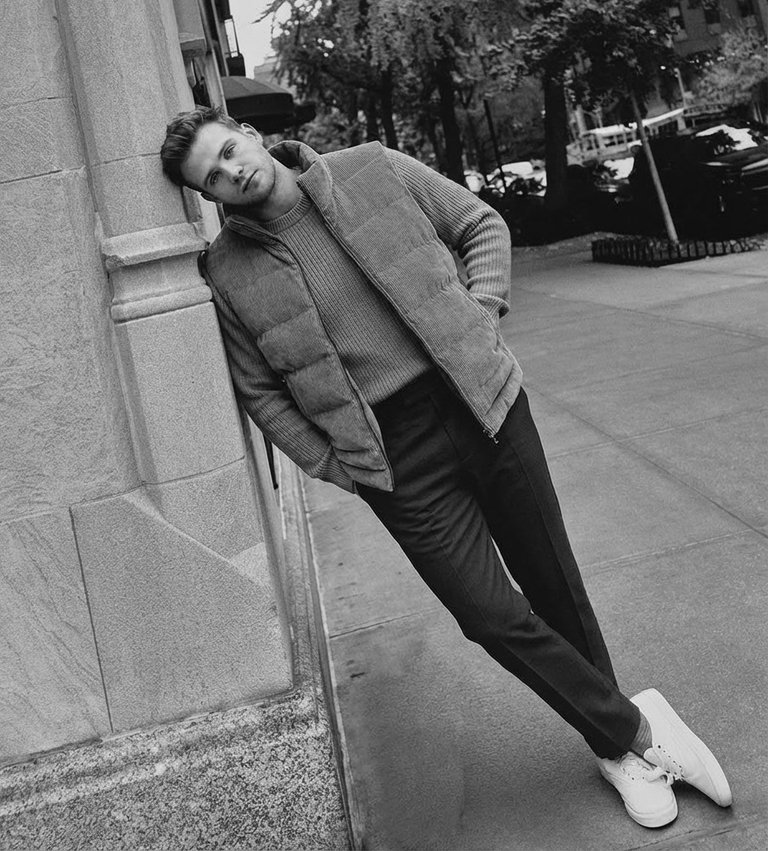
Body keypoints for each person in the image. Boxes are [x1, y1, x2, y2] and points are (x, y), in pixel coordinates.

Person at [160, 106, 732, 829]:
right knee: (488, 614)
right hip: (392, 458)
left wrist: (478, 318)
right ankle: (643, 732)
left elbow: (480, 224)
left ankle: (614, 748)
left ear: (246, 132)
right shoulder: (228, 272)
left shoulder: (371, 168)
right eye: (212, 177)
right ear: (208, 198)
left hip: (481, 402)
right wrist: (334, 464)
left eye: (227, 150)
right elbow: (260, 391)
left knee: (552, 578)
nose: (232, 172)